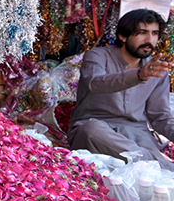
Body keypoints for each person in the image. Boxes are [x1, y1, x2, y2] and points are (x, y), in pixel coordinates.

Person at [68, 9, 174, 171]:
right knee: (91, 130)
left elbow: (160, 117)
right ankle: (162, 166)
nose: (149, 39)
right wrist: (138, 75)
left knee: (142, 148)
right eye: (142, 33)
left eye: (154, 33)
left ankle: (152, 162)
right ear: (123, 36)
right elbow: (96, 83)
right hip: (96, 129)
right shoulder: (97, 56)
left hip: (137, 135)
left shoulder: (156, 70)